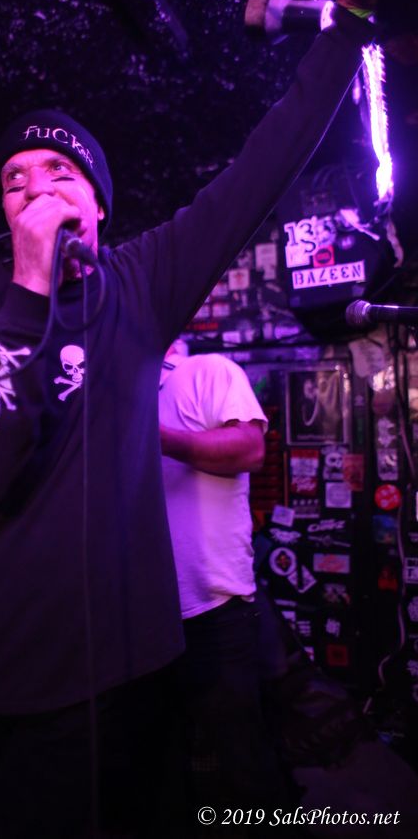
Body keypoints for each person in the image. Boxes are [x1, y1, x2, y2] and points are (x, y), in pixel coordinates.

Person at [0, 0, 391, 836]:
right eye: (14, 183)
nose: (34, 192)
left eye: (60, 175)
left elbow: (260, 169)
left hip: (111, 677)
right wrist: (29, 290)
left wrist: (350, 21)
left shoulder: (139, 283)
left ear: (98, 207)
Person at [159, 344, 289, 815]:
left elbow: (249, 449)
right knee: (158, 769)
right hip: (145, 616)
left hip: (214, 610)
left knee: (242, 766)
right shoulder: (117, 393)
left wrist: (154, 436)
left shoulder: (206, 370)